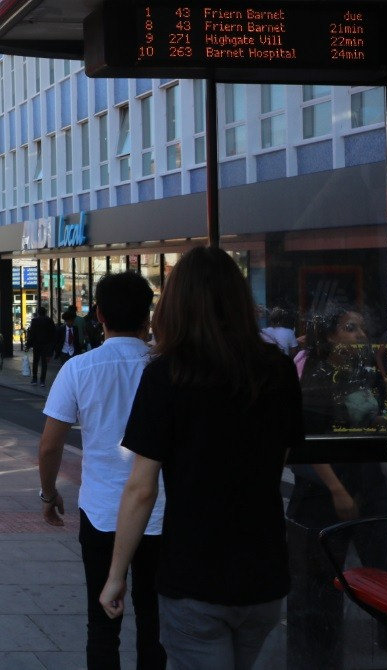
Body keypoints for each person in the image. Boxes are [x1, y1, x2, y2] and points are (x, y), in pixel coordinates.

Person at [100, 246, 304, 670]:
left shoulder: (168, 374)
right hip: (263, 572)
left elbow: (141, 487)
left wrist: (117, 574)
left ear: (177, 304)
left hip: (194, 573)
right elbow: (277, 457)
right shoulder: (278, 370)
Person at [39, 272, 164, 670]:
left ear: (98, 314)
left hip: (102, 513)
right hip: (162, 514)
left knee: (102, 621)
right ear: (148, 317)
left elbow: (50, 444)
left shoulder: (79, 369)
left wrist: (49, 493)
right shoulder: (167, 367)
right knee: (154, 623)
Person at [285, 304, 387, 669]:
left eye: (362, 329)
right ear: (329, 336)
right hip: (323, 492)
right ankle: (316, 657)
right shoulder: (314, 375)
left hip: (365, 484)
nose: (360, 335)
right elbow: (304, 439)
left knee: (382, 568)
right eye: (350, 328)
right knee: (318, 585)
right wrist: (336, 489)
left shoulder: (362, 371)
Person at [25, 306, 56, 387]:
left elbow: (31, 334)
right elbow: (53, 333)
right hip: (46, 344)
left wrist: (28, 345)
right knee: (44, 363)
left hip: (37, 344)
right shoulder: (49, 320)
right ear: (45, 312)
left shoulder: (34, 321)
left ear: (38, 312)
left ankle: (34, 379)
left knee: (35, 362)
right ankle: (42, 381)